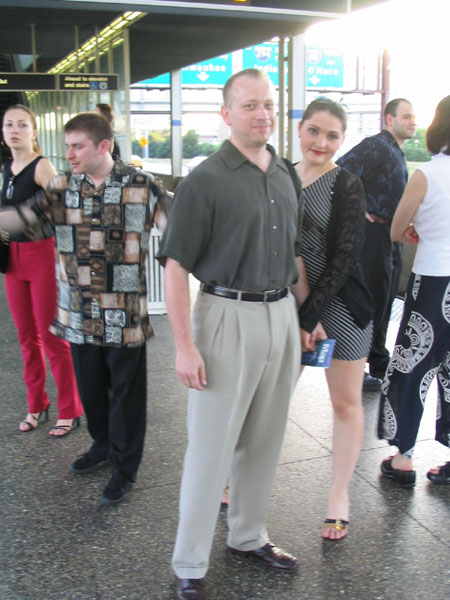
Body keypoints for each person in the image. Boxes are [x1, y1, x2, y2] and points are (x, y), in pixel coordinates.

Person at [157, 68, 305, 600]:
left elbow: (293, 252)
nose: (262, 114)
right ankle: (190, 564)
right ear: (226, 114)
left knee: (265, 441)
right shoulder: (205, 179)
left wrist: (301, 321)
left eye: (268, 104)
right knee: (211, 449)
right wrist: (184, 346)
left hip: (280, 315)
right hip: (225, 315)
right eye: (249, 106)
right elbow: (176, 267)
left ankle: (247, 536)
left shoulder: (284, 171)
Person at [0, 112, 169, 505]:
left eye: (78, 146)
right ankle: (102, 444)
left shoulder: (141, 184)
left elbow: (177, 228)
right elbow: (25, 219)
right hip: (78, 313)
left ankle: (125, 468)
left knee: (127, 397)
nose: (69, 154)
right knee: (92, 391)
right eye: (68, 146)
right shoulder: (61, 188)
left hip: (124, 315)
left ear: (103, 146)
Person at [295, 98, 373, 540]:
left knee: (344, 403)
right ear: (301, 129)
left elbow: (345, 257)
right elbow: (283, 249)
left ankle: (339, 494)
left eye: (332, 136)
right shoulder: (281, 176)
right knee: (266, 401)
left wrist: (313, 314)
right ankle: (243, 478)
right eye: (314, 131)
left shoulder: (346, 183)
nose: (321, 143)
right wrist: (303, 311)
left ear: (342, 141)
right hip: (290, 300)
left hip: (341, 305)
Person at [378, 95, 450, 487]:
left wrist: (415, 230)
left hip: (433, 282)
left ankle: (403, 458)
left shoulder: (426, 175)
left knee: (414, 366)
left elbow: (395, 231)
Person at [1, 104, 83, 436]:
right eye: (9, 125)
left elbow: (67, 204)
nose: (15, 130)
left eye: (22, 125)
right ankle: (37, 405)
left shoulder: (41, 166)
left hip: (40, 255)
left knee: (51, 337)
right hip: (12, 259)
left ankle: (70, 409)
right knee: (25, 337)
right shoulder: (7, 167)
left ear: (34, 132)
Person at [337, 98, 416, 392]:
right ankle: (358, 366)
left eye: (413, 117)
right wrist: (359, 207)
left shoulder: (395, 150)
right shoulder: (378, 145)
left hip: (391, 235)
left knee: (383, 301)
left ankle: (379, 365)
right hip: (373, 235)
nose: (412, 122)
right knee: (372, 302)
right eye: (406, 116)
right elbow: (342, 170)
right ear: (389, 119)